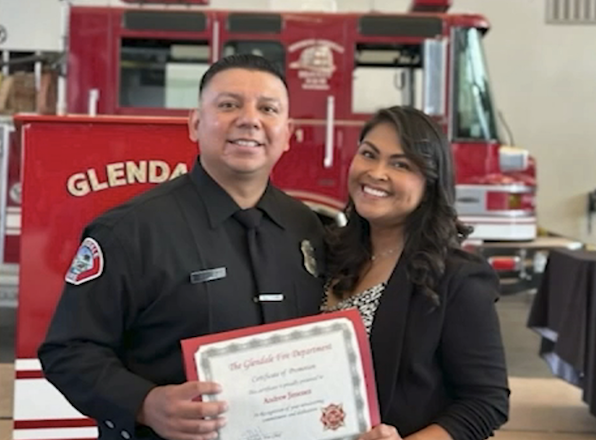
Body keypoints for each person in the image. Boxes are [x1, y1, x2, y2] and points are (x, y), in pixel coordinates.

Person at [38, 54, 325, 440]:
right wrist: (144, 403)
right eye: (228, 105)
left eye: (268, 109)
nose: (249, 119)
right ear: (195, 124)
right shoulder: (128, 231)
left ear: (287, 132)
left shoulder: (307, 228)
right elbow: (69, 351)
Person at [322, 106, 510, 440]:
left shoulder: (457, 278)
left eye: (401, 164)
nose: (377, 173)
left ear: (430, 183)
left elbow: (485, 403)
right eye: (369, 154)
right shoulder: (325, 253)